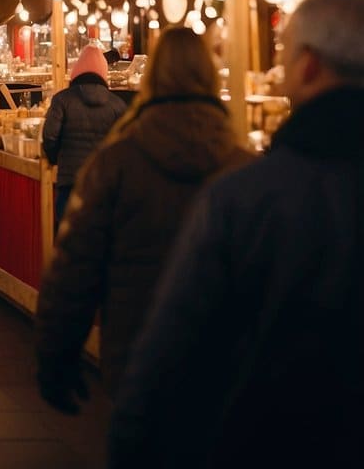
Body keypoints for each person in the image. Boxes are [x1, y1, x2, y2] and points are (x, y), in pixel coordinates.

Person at [107, 0, 364, 468]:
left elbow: (175, 337)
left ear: (307, 66)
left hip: (269, 437)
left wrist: (130, 436)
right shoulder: (239, 180)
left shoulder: (246, 197)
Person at [34, 27, 251, 413]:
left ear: (151, 78)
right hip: (226, 361)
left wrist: (57, 355)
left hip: (137, 354)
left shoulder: (117, 163)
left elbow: (76, 267)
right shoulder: (245, 168)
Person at [42, 45, 127, 232]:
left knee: (68, 238)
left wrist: (55, 158)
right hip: (105, 185)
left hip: (70, 182)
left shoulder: (61, 100)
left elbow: (49, 136)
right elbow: (124, 146)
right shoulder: (118, 105)